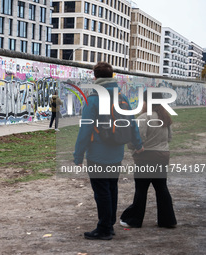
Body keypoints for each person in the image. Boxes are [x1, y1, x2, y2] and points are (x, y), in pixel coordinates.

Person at [73, 62, 143, 240]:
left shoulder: (94, 99)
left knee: (102, 191)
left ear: (95, 77)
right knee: (111, 188)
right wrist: (138, 144)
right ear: (111, 77)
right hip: (117, 153)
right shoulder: (122, 98)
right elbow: (132, 123)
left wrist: (78, 155)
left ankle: (104, 228)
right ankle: (109, 224)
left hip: (98, 154)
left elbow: (85, 130)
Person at [120, 91, 177, 228]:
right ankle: (168, 220)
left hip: (145, 157)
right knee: (161, 188)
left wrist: (134, 150)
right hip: (162, 156)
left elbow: (136, 138)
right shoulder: (165, 117)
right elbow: (169, 137)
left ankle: (134, 219)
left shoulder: (144, 118)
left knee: (141, 189)